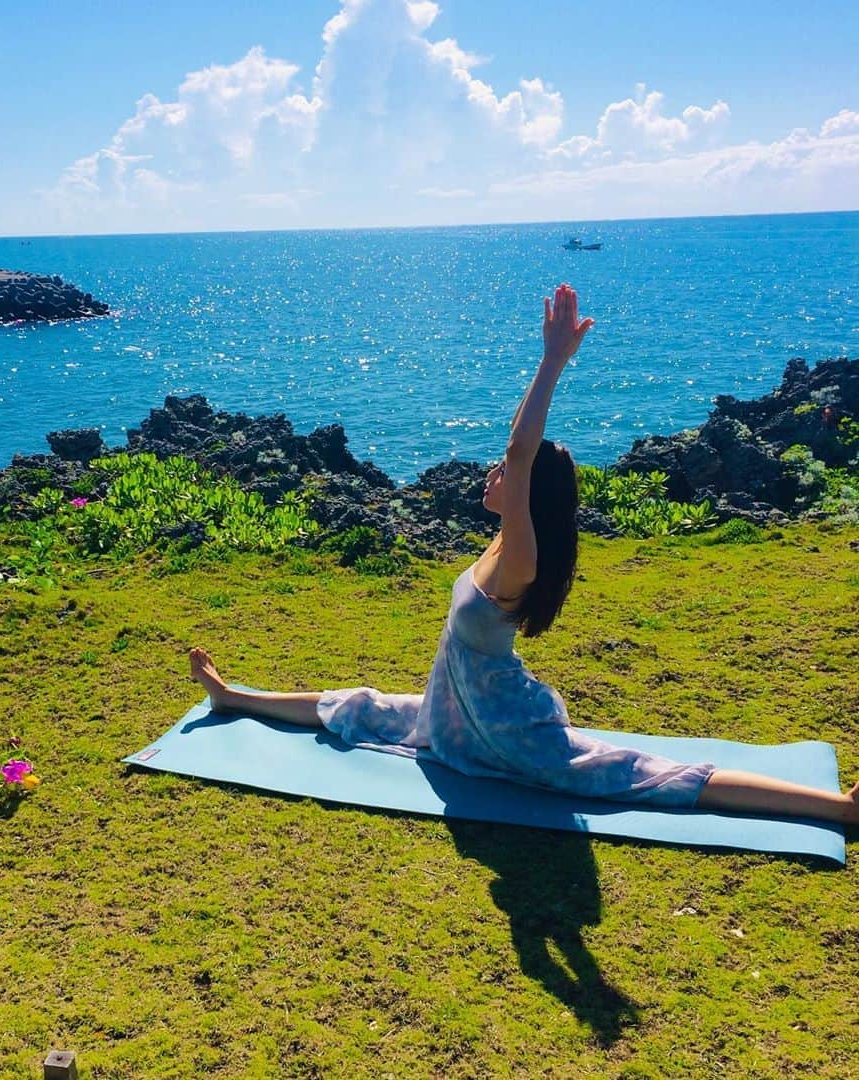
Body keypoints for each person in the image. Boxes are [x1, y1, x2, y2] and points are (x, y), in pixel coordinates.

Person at [189, 284, 858, 827]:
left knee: (656, 777)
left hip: (507, 733)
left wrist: (552, 361)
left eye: (504, 473)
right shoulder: (508, 542)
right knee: (357, 703)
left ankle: (838, 811)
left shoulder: (520, 559)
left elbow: (520, 450)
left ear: (525, 494)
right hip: (451, 717)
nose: (492, 473)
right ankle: (233, 698)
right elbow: (518, 458)